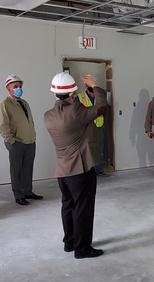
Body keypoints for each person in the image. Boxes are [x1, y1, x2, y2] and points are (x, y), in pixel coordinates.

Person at [44, 72, 109, 259]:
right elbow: (102, 106)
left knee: (68, 206)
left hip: (62, 171)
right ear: (73, 94)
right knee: (83, 209)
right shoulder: (76, 111)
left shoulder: (48, 116)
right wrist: (95, 86)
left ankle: (70, 242)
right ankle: (83, 248)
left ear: (55, 94)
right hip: (80, 169)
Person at [0, 74, 42, 206]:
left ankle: (28, 191)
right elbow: (2, 125)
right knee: (16, 169)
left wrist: (33, 136)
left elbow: (30, 121)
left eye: (20, 86)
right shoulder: (4, 104)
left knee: (28, 168)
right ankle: (18, 194)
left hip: (29, 141)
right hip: (16, 143)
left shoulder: (24, 103)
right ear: (8, 88)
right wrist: (11, 140)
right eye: (15, 87)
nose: (18, 89)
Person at [78, 82, 112, 177]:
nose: (93, 93)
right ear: (86, 88)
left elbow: (105, 107)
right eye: (90, 90)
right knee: (87, 148)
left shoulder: (99, 95)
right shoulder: (80, 97)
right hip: (87, 126)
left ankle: (99, 169)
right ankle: (89, 170)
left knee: (100, 147)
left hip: (99, 124)